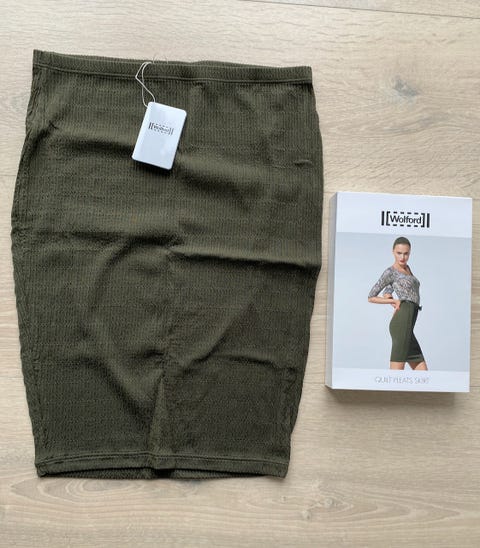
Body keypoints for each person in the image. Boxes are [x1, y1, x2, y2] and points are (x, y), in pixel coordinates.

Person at [368, 237, 428, 371]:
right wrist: (393, 301)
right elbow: (371, 297)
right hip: (402, 323)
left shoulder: (408, 269)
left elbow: (388, 290)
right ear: (393, 252)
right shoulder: (390, 272)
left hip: (408, 325)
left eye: (406, 253)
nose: (402, 257)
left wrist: (390, 297)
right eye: (399, 253)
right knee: (395, 375)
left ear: (409, 253)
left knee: (423, 374)